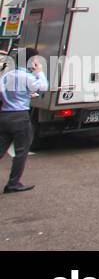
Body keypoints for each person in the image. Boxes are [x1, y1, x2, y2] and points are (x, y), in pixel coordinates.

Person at [0, 54, 47, 193]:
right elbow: (43, 87)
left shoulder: (7, 75)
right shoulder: (28, 77)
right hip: (20, 116)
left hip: (4, 115)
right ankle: (13, 183)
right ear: (32, 62)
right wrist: (40, 72)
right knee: (21, 151)